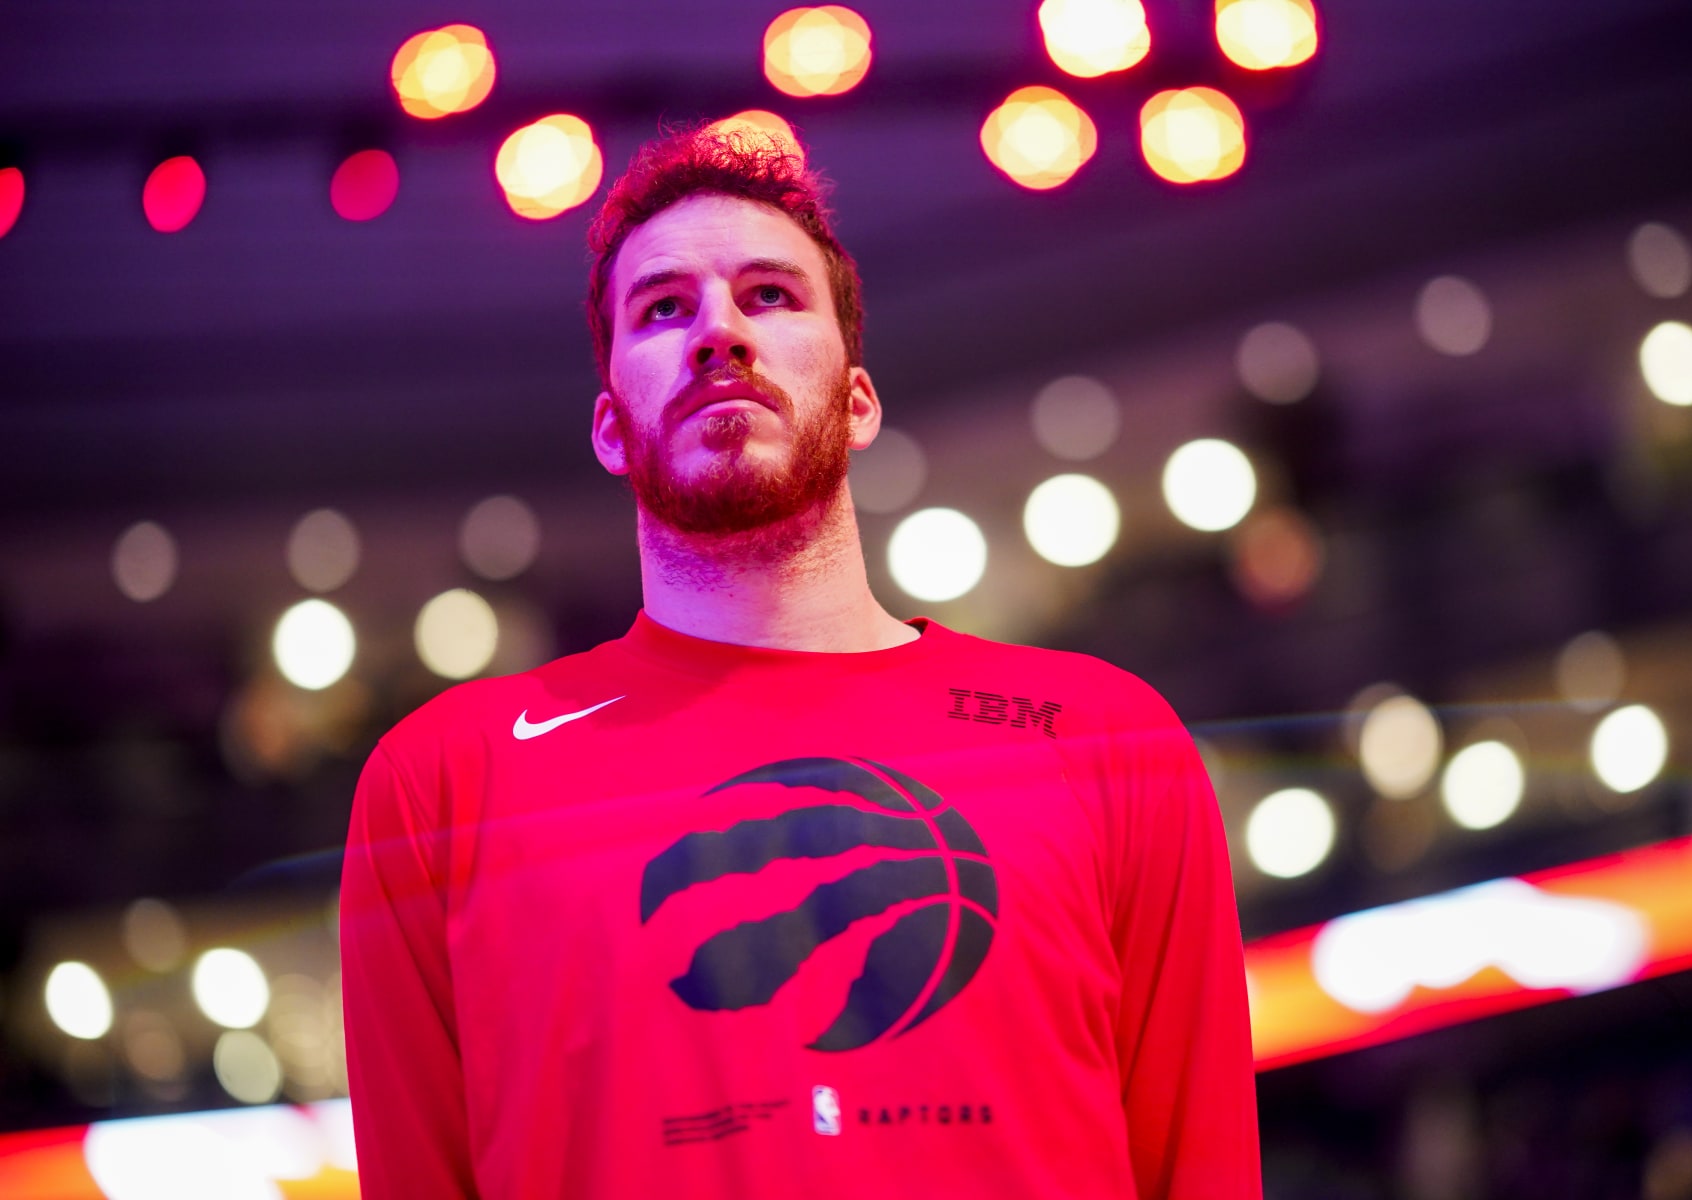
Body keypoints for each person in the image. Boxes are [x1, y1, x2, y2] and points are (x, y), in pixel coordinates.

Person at [339, 125, 1261, 1200]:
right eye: (664, 308)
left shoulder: (1103, 739)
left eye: (770, 297)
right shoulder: (446, 783)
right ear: (609, 427)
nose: (718, 333)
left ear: (859, 400)